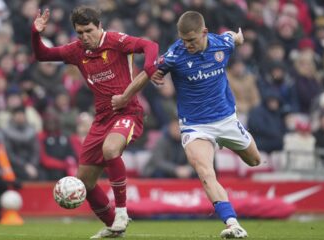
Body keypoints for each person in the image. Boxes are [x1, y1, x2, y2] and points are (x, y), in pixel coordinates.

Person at [112, 11, 261, 239]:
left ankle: (237, 143)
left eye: (191, 40)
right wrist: (124, 97)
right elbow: (145, 74)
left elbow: (234, 38)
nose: (187, 45)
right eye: (183, 40)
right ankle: (232, 224)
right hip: (195, 125)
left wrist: (238, 36)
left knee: (254, 160)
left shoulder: (222, 44)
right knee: (204, 172)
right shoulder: (175, 54)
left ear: (204, 32)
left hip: (226, 119)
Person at [32, 6, 158, 238]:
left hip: (128, 112)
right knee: (85, 183)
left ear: (100, 26)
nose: (84, 37)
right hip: (101, 119)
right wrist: (35, 32)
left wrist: (150, 67)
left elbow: (150, 46)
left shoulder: (116, 41)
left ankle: (121, 211)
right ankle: (114, 227)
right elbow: (42, 55)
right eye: (79, 32)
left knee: (111, 149)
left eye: (89, 30)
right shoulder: (77, 50)